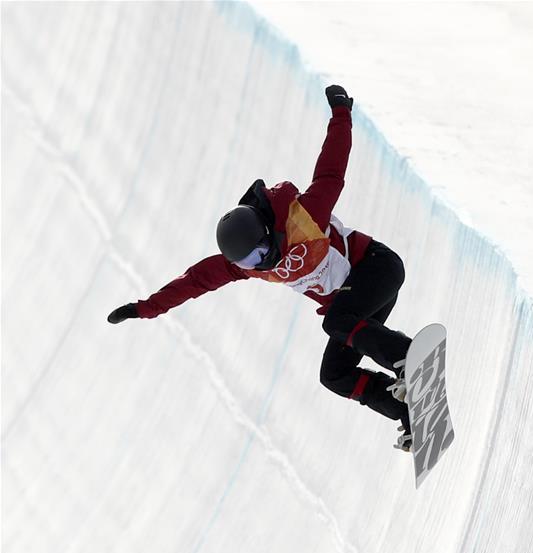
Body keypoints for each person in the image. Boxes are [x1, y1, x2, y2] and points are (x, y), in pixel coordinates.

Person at [108, 85, 413, 450]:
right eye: (250, 261)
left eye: (262, 251)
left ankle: (407, 359)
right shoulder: (245, 266)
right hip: (359, 305)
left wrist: (341, 113)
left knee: (335, 321)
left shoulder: (303, 216)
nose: (262, 262)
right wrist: (145, 308)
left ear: (269, 231)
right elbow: (195, 281)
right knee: (334, 375)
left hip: (378, 268)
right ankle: (408, 409)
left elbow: (331, 171)